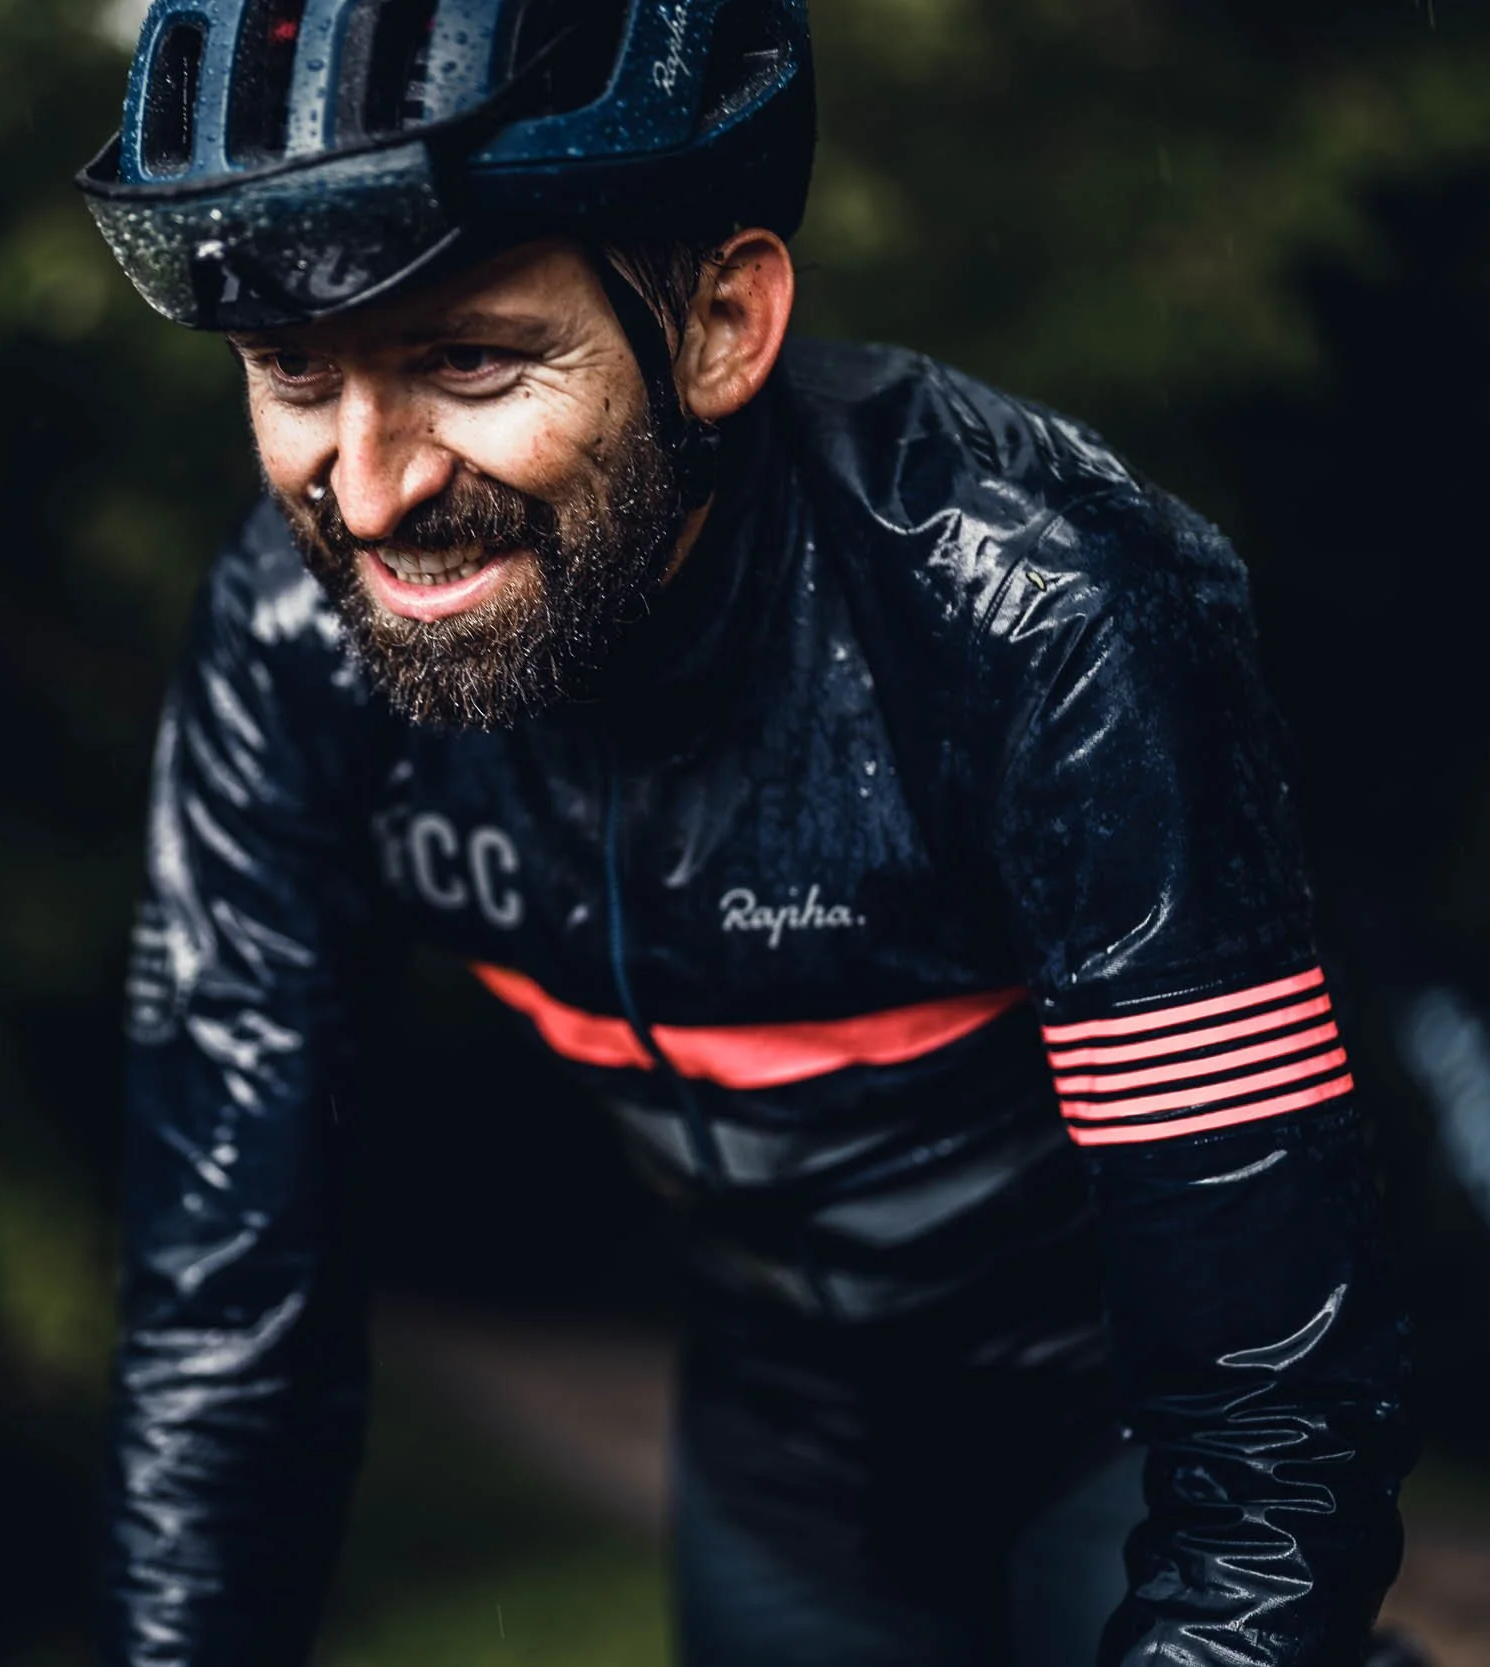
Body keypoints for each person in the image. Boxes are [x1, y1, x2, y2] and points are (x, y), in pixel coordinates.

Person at [76, 2, 1413, 1663]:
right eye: (293, 370)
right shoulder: (289, 647)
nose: (367, 488)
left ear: (719, 321)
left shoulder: (1045, 621)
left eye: (471, 360)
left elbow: (1275, 1442)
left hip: (1118, 1415)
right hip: (787, 1445)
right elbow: (227, 1326)